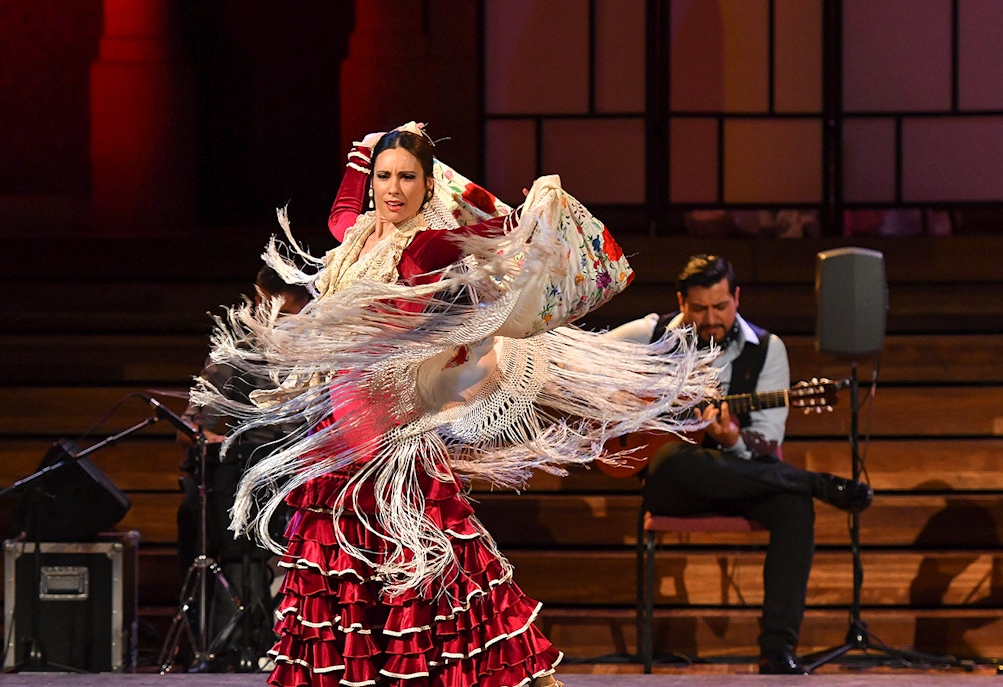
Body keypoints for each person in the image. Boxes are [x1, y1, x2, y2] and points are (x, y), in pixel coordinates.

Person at [191, 123, 721, 687]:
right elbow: (349, 191)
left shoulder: (425, 244)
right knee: (344, 564)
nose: (393, 190)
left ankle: (527, 670)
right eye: (384, 176)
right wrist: (370, 142)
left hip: (389, 430)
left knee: (438, 560)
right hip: (339, 424)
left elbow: (502, 236)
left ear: (428, 185)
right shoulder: (351, 233)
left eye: (408, 178)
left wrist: (534, 212)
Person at [607, 253, 875, 675]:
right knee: (675, 459)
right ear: (681, 302)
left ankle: (777, 650)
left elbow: (767, 439)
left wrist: (731, 438)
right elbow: (582, 360)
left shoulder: (768, 350)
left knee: (793, 508)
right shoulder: (652, 333)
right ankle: (812, 481)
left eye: (720, 307)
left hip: (746, 477)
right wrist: (632, 402)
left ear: (737, 298)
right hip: (680, 481)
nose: (711, 318)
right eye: (699, 309)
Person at [174, 265, 310, 670]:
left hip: (302, 479)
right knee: (199, 513)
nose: (258, 306)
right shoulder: (242, 346)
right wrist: (208, 438)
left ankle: (274, 635)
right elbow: (194, 422)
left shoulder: (328, 340)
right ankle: (225, 635)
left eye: (262, 298)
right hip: (252, 473)